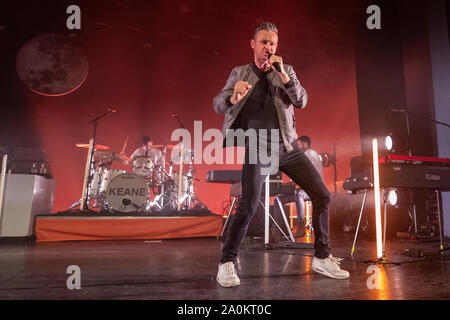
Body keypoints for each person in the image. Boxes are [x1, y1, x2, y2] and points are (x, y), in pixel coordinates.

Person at [213, 22, 349, 287]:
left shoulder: (286, 72)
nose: (268, 47)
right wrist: (232, 98)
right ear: (253, 44)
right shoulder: (239, 72)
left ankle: (322, 257)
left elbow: (302, 100)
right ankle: (226, 263)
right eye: (263, 42)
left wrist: (285, 76)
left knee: (322, 195)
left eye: (272, 43)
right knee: (248, 205)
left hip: (287, 148)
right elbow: (218, 103)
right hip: (257, 148)